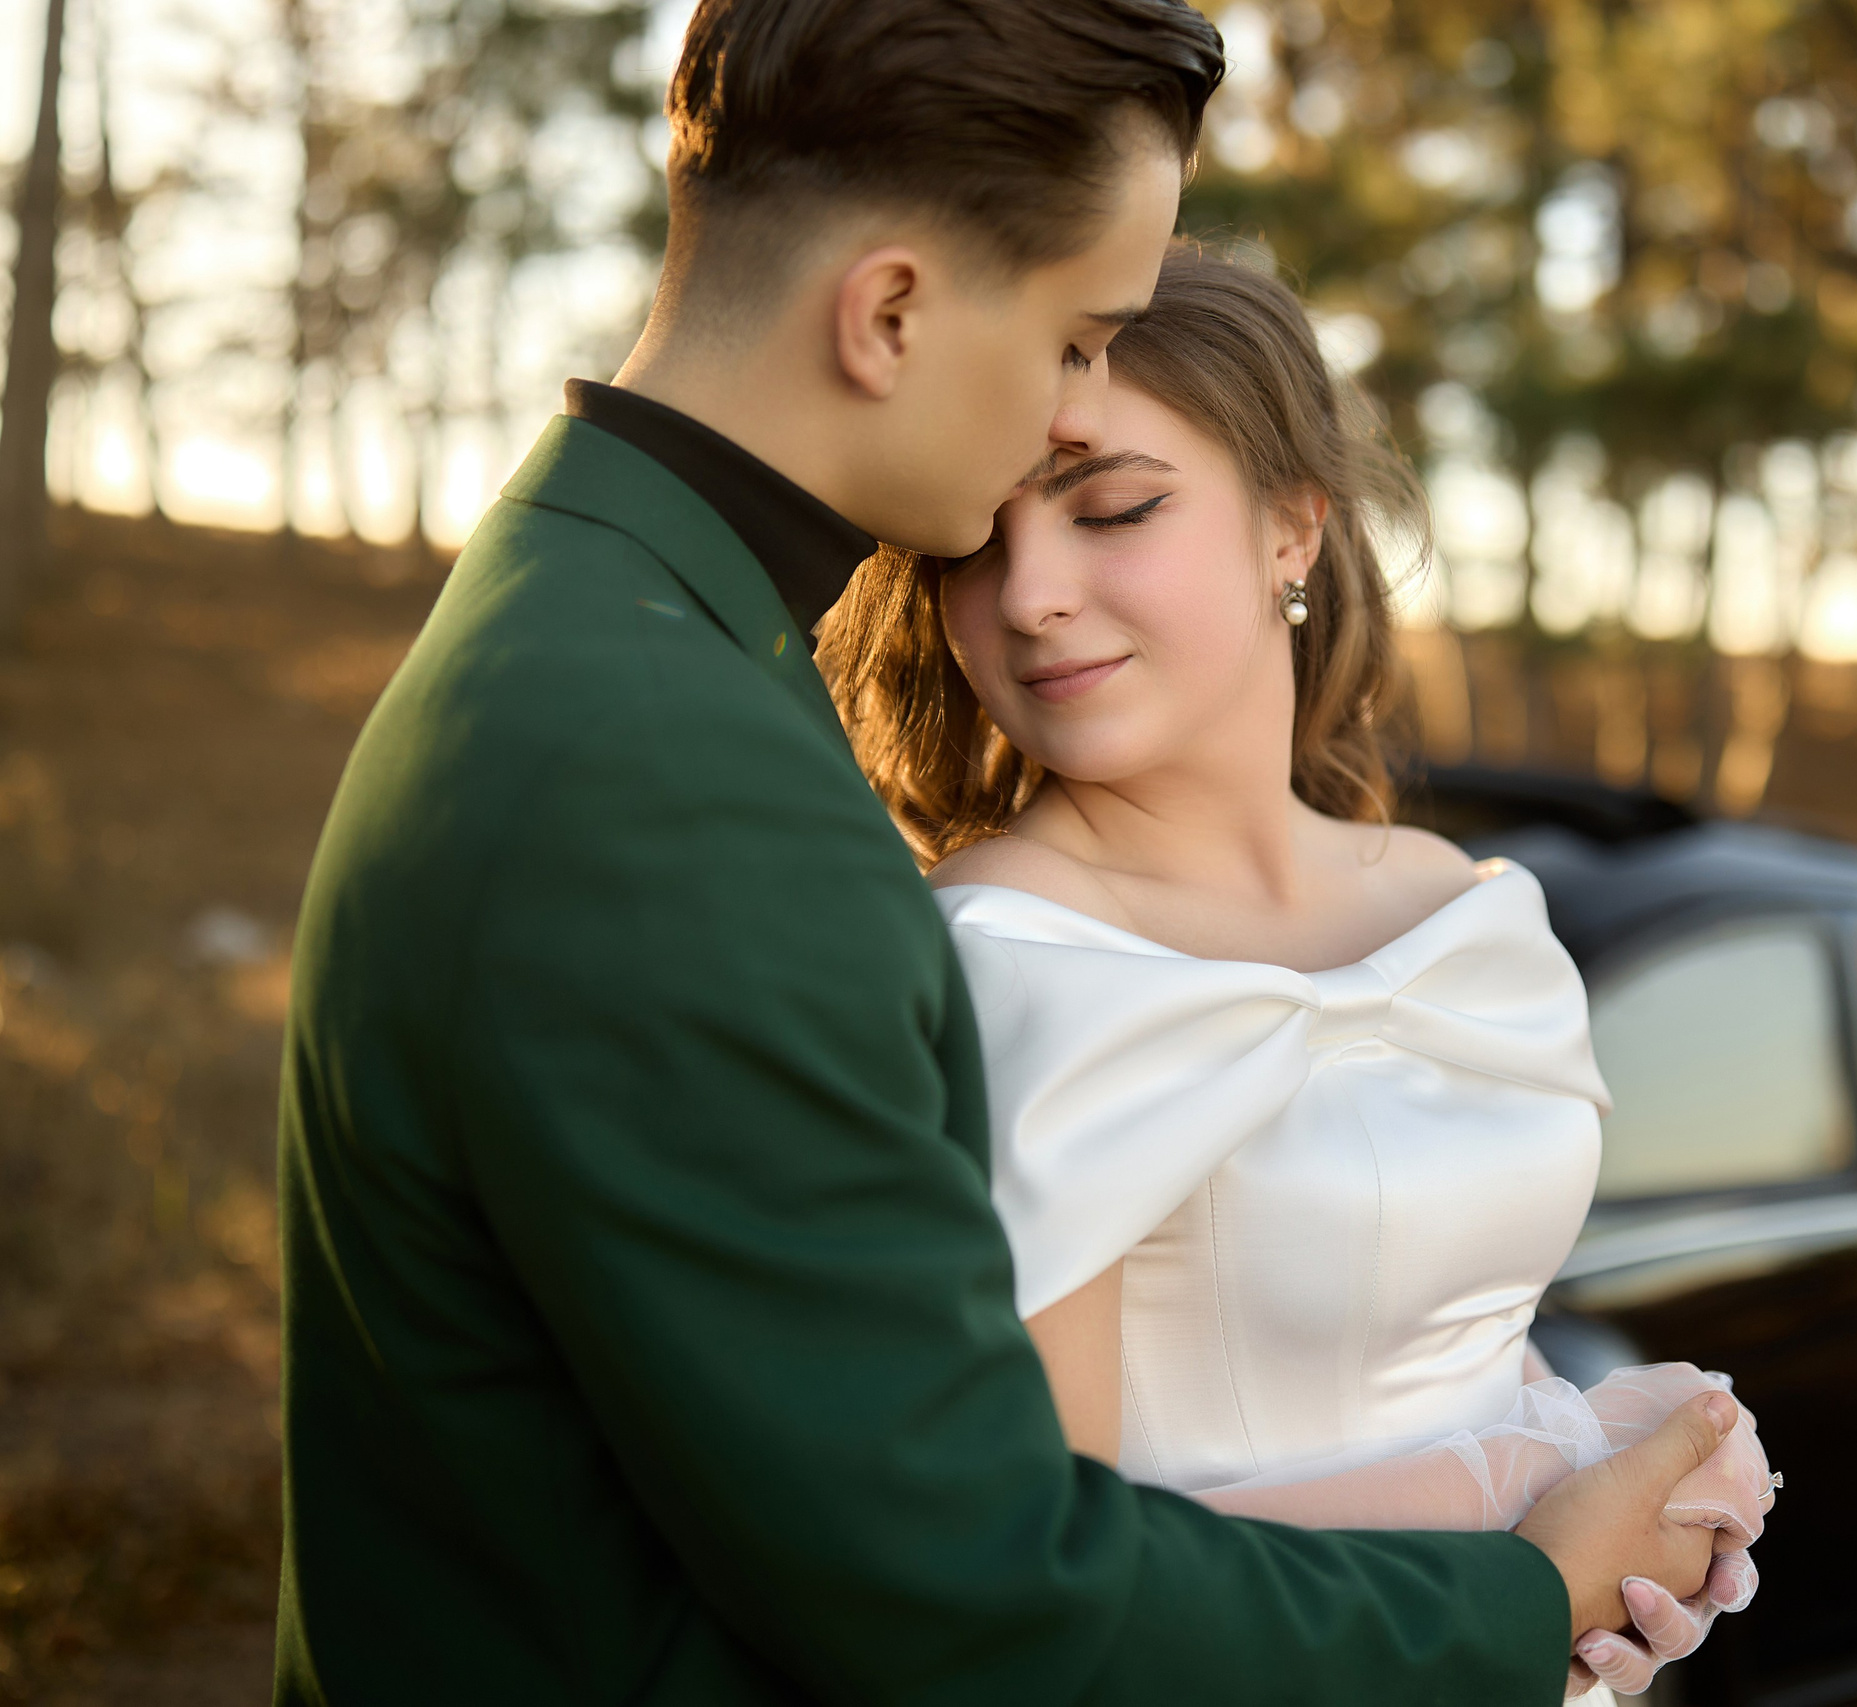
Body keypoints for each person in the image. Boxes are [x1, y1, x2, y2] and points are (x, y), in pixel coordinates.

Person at [271, 2, 1741, 1703]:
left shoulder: (621, 630)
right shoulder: (665, 767)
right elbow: (957, 1587)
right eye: (1077, 337)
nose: (1070, 410)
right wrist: (1527, 1586)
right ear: (891, 311)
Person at [823, 246, 1776, 1701]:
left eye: (1113, 508)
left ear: (1292, 525)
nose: (1030, 596)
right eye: (971, 543)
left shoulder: (1463, 908)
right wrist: (1527, 1502)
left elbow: (1446, 1338)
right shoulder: (1011, 962)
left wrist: (1640, 1469)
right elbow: (1036, 1582)